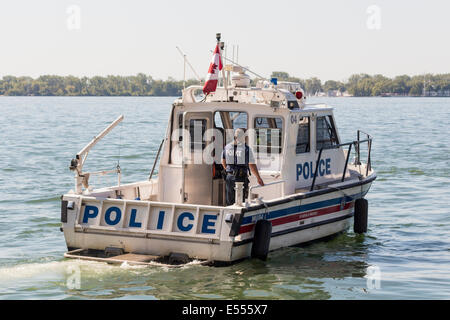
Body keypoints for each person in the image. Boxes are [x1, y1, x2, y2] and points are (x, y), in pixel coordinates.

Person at [221, 128, 264, 205]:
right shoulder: (246, 149)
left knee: (230, 201)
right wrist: (258, 178)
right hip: (240, 178)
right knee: (240, 202)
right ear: (242, 137)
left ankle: (229, 215)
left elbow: (223, 161)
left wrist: (229, 171)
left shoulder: (227, 147)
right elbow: (252, 165)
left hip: (229, 177)